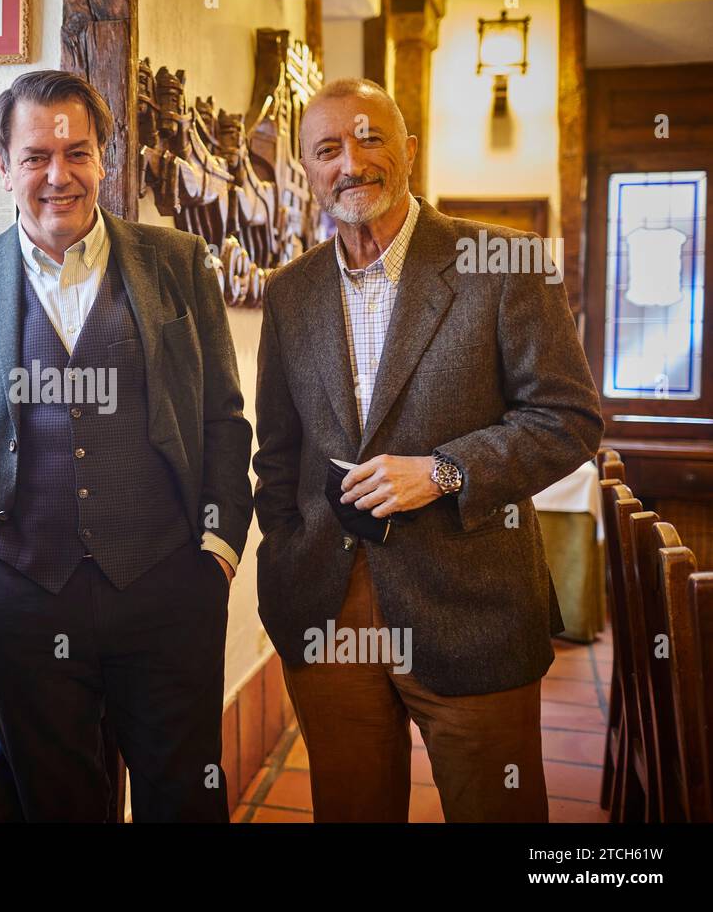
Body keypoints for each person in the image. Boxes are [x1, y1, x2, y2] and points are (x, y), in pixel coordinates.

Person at [253, 77, 604, 822]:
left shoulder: (504, 264)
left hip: (472, 605)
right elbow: (278, 454)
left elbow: (568, 418)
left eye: (370, 136)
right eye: (327, 148)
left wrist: (444, 471)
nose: (352, 161)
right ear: (307, 170)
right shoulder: (289, 293)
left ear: (409, 149)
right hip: (325, 607)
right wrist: (284, 555)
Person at [0, 69, 254, 822]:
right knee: (57, 804)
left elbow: (224, 418)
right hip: (20, 595)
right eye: (35, 157)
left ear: (106, 160)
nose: (57, 175)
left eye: (77, 153)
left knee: (185, 799)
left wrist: (220, 547)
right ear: (3, 168)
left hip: (167, 585)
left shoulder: (178, 263)